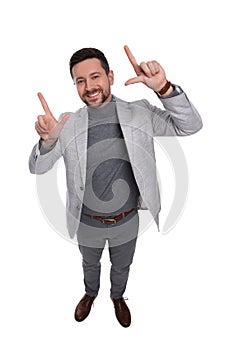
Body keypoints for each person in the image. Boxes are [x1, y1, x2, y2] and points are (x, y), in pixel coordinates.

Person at [29, 46, 203, 327]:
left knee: (122, 265)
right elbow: (38, 168)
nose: (89, 87)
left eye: (95, 76)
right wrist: (48, 142)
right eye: (80, 81)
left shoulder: (140, 112)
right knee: (89, 264)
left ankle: (118, 297)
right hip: (86, 221)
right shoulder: (67, 123)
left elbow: (190, 126)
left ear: (110, 75)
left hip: (127, 219)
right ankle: (90, 293)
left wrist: (164, 88)